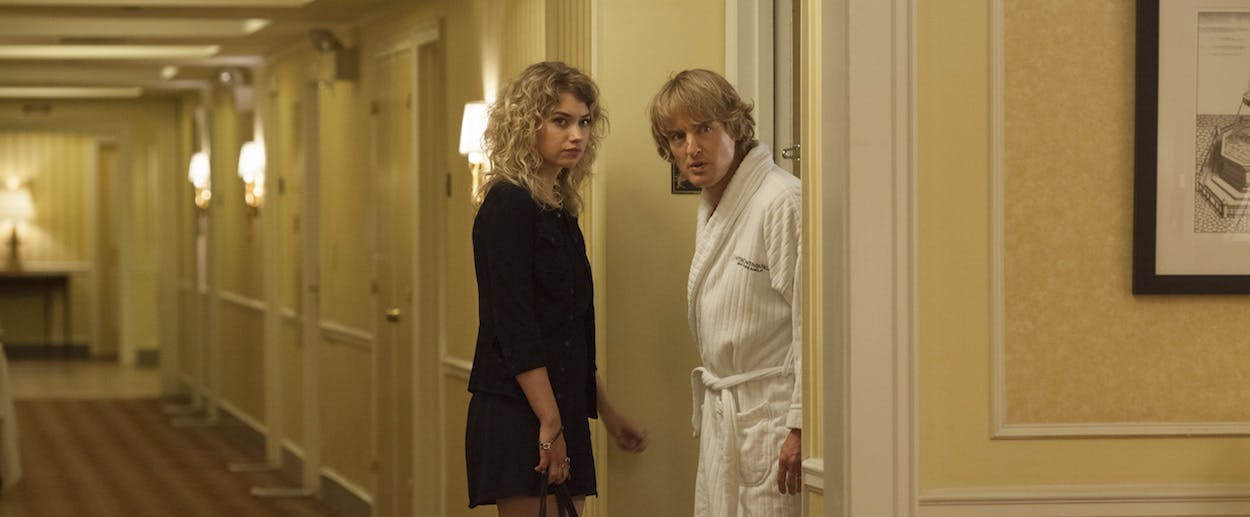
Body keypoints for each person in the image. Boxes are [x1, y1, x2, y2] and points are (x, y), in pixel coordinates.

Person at [465, 61, 649, 516]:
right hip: (521, 411)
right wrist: (549, 424)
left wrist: (608, 414)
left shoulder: (559, 209)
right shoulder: (507, 205)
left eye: (584, 122)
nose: (576, 135)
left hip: (561, 408)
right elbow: (516, 329)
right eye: (560, 121)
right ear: (526, 125)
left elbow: (568, 333)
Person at [647, 69, 802, 516]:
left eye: (704, 129)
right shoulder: (714, 204)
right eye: (677, 136)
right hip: (728, 416)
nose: (691, 148)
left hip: (772, 422)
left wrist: (800, 426)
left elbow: (814, 326)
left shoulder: (781, 201)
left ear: (733, 126)